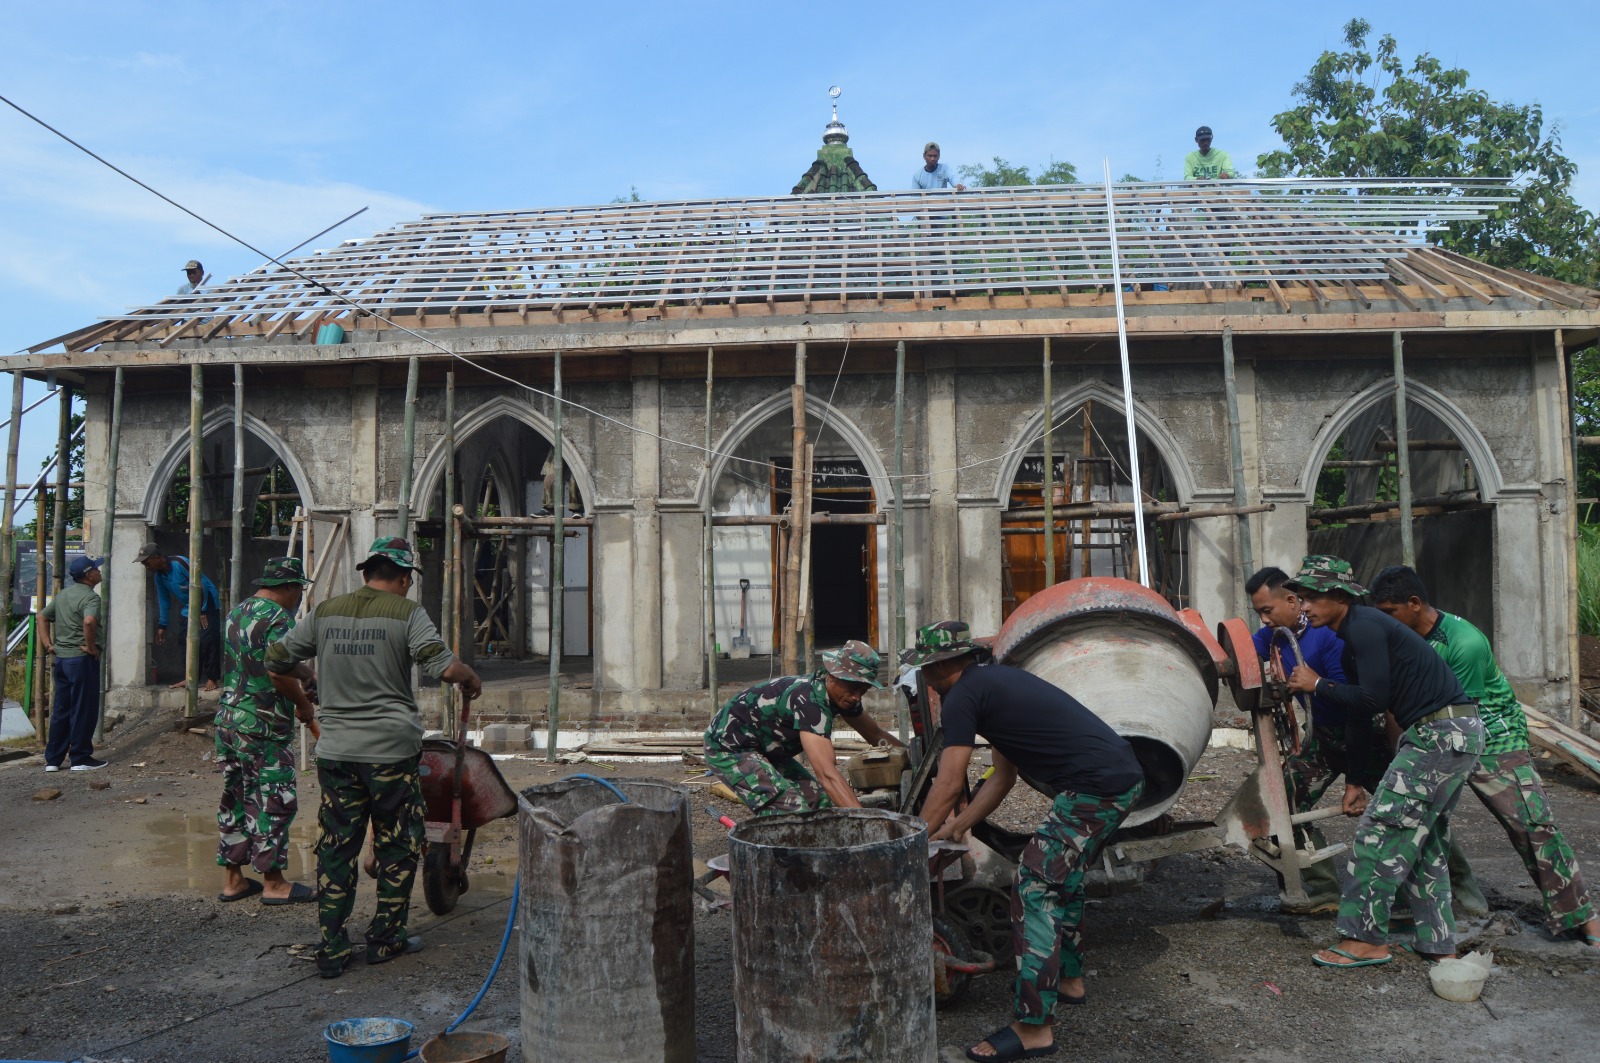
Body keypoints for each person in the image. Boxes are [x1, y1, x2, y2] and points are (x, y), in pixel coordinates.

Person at [911, 621, 1144, 1062]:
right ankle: (1070, 981)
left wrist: (908, 842)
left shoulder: (960, 696)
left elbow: (947, 783)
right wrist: (957, 826)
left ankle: (1033, 1027)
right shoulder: (994, 682)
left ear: (934, 668)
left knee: (1034, 886)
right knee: (1064, 881)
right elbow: (1002, 778)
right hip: (1122, 780)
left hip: (1094, 789)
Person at [267, 537, 482, 978]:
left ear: (367, 573)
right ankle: (385, 939)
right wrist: (469, 677)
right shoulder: (408, 612)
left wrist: (307, 674)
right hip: (390, 752)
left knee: (337, 847)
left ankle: (332, 946)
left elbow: (276, 658)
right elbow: (439, 664)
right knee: (397, 844)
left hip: (338, 752)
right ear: (403, 578)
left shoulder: (326, 611)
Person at [1370, 565, 1600, 947]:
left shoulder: (1463, 642)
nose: (1384, 621)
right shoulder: (1401, 637)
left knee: (1532, 825)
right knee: (1417, 822)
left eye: (1390, 612)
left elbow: (1458, 710)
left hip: (1492, 740)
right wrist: (1400, 756)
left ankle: (1583, 917)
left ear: (1414, 604)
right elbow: (1397, 705)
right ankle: (1424, 910)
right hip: (1435, 736)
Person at [1281, 555, 1484, 968]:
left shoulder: (1367, 625)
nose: (1305, 607)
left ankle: (1365, 940)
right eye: (1301, 599)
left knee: (1380, 833)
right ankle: (1438, 941)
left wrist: (1317, 684)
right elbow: (1361, 713)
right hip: (1448, 734)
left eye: (1312, 597)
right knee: (1423, 841)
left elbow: (1372, 700)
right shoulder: (1354, 637)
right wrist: (1355, 780)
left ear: (1339, 595)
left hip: (1438, 734)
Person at [215, 557, 319, 905]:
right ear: (288, 588)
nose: (299, 597)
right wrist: (303, 705)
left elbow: (270, 660)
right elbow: (276, 672)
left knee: (236, 797)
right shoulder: (279, 618)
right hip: (263, 723)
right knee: (273, 799)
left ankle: (234, 880)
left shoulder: (238, 612)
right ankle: (274, 883)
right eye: (298, 590)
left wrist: (306, 675)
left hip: (230, 719)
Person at [1247, 565, 1349, 913]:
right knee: (1283, 798)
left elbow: (1352, 695)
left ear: (1291, 600)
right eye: (1259, 612)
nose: (1263, 620)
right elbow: (1242, 657)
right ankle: (1324, 892)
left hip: (1366, 735)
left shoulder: (1329, 636)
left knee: (1409, 808)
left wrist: (1314, 683)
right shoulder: (1273, 637)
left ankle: (1459, 889)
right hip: (1323, 737)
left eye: (1267, 610)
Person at [703, 639, 901, 815]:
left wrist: (913, 760)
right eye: (852, 688)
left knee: (818, 802)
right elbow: (826, 773)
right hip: (729, 748)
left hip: (764, 747)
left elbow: (875, 734)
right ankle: (778, 853)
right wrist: (863, 820)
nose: (856, 697)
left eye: (863, 690)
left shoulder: (843, 696)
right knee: (791, 809)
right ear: (833, 676)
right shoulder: (810, 702)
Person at [40, 556, 106, 772]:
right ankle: (80, 757)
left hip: (62, 660)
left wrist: (48, 644)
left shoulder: (63, 595)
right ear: (89, 575)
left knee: (61, 709)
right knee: (83, 708)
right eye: (96, 568)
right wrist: (91, 646)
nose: (99, 570)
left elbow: (42, 617)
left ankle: (53, 760)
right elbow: (89, 621)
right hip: (81, 660)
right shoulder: (90, 597)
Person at [135, 542, 222, 691]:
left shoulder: (180, 563)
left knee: (207, 640)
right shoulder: (159, 577)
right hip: (189, 607)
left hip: (207, 602)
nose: (146, 566)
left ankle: (212, 678)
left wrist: (202, 610)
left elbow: (202, 585)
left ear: (157, 558)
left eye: (147, 562)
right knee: (183, 639)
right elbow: (164, 601)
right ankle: (190, 677)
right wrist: (163, 625)